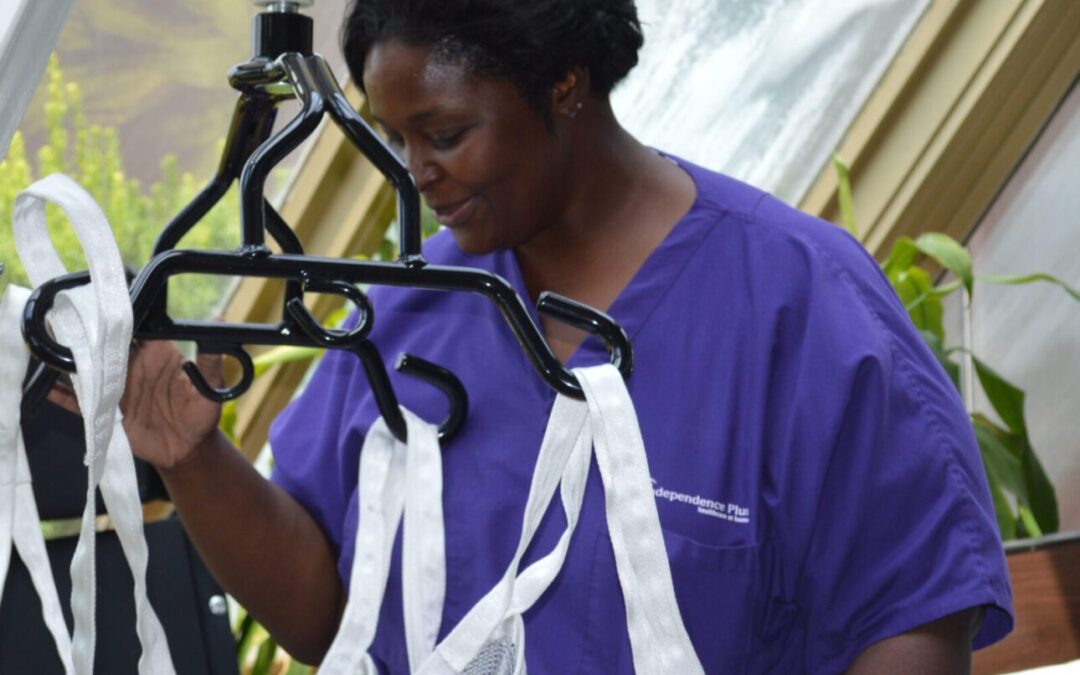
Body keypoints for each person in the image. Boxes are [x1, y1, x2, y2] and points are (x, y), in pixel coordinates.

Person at [53, 0, 1013, 671]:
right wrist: (194, 458)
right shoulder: (413, 308)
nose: (414, 172)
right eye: (394, 138)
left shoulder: (802, 307)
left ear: (564, 84)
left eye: (444, 133)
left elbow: (916, 619)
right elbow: (328, 614)